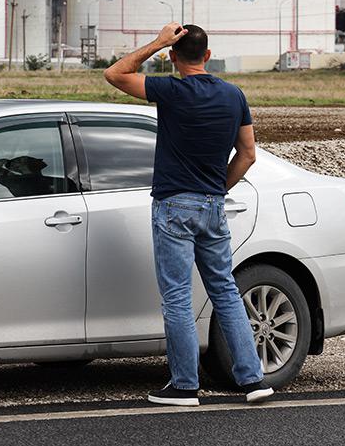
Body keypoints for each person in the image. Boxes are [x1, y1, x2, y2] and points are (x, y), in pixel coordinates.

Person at [103, 23, 272, 407]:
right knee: (226, 291)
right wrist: (217, 191)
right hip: (214, 206)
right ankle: (252, 379)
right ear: (208, 56)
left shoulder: (170, 90)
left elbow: (115, 74)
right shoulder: (234, 95)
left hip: (174, 205)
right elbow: (248, 155)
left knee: (178, 295)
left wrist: (158, 42)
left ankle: (184, 385)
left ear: (173, 58)